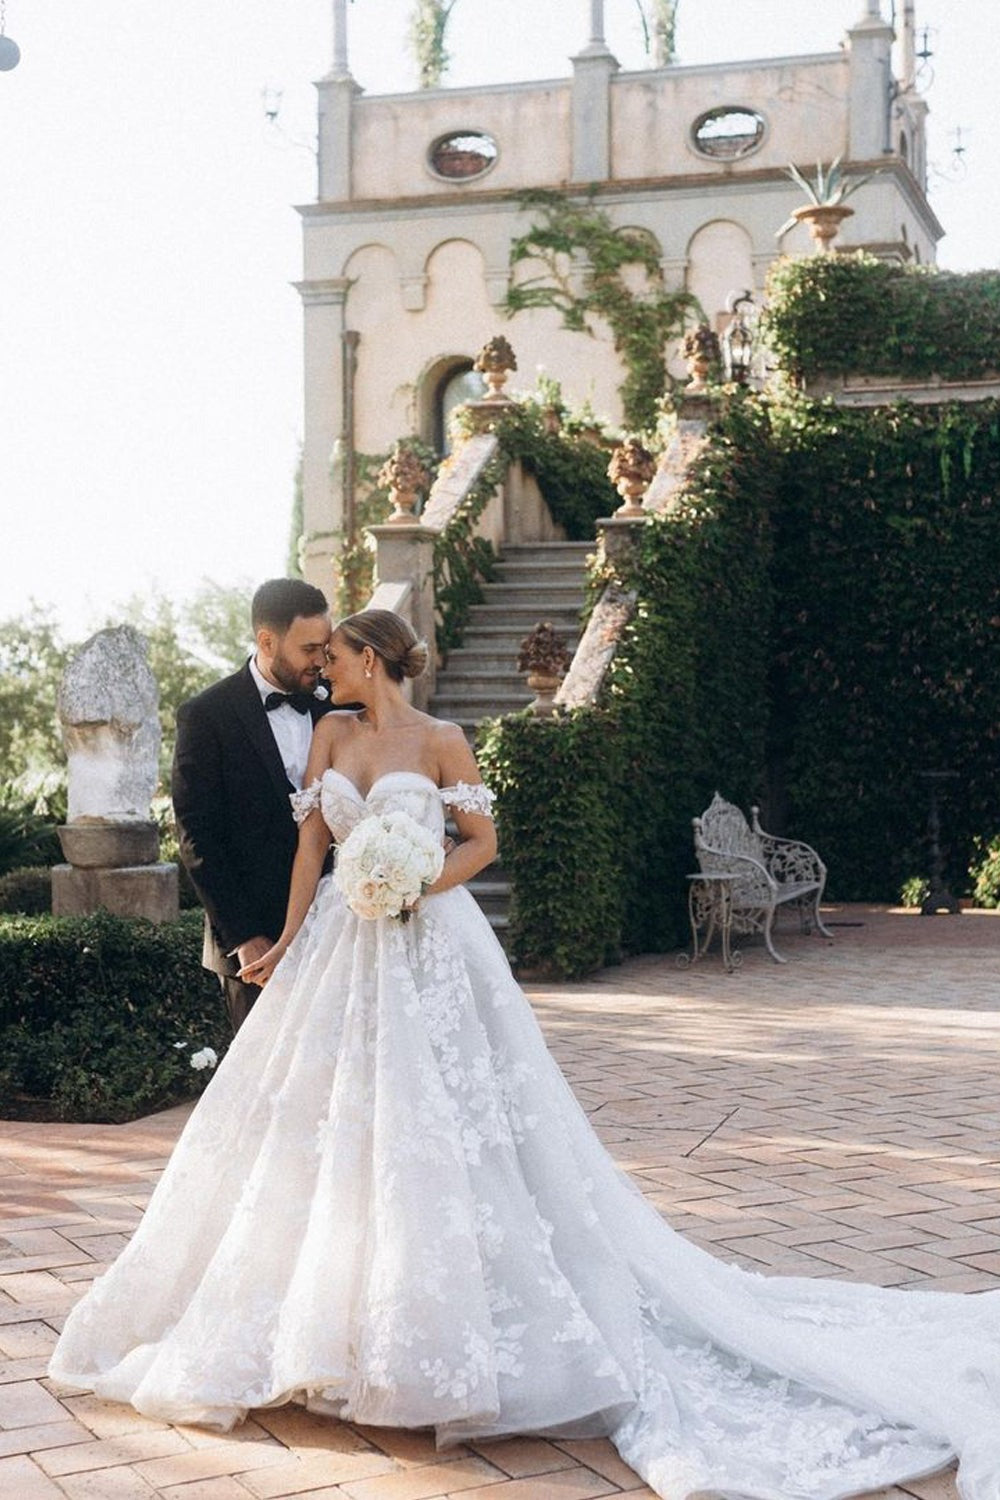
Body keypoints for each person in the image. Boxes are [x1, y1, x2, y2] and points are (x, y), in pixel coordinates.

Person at [50, 609, 1000, 1500]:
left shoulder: (442, 741)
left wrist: (421, 878)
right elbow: (311, 853)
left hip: (429, 942)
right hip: (343, 943)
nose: (320, 672)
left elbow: (481, 841)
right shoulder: (332, 739)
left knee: (450, 1126)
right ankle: (326, 1324)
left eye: (332, 658)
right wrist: (288, 944)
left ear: (366, 659)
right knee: (328, 1130)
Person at [171, 577, 337, 1032]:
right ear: (267, 640)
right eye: (309, 649)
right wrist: (243, 935)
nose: (321, 661)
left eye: (326, 648)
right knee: (264, 1095)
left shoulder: (339, 707)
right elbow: (196, 836)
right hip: (254, 946)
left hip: (338, 932)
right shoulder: (206, 715)